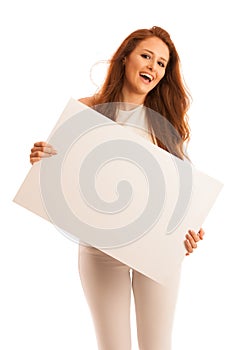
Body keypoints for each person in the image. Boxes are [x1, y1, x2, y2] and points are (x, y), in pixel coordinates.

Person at [29, 26, 205, 350]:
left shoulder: (165, 125)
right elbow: (57, 178)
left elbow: (180, 198)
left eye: (162, 64)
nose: (153, 67)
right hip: (101, 252)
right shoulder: (87, 110)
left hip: (156, 252)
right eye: (147, 56)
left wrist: (189, 234)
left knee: (157, 345)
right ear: (126, 58)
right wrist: (42, 158)